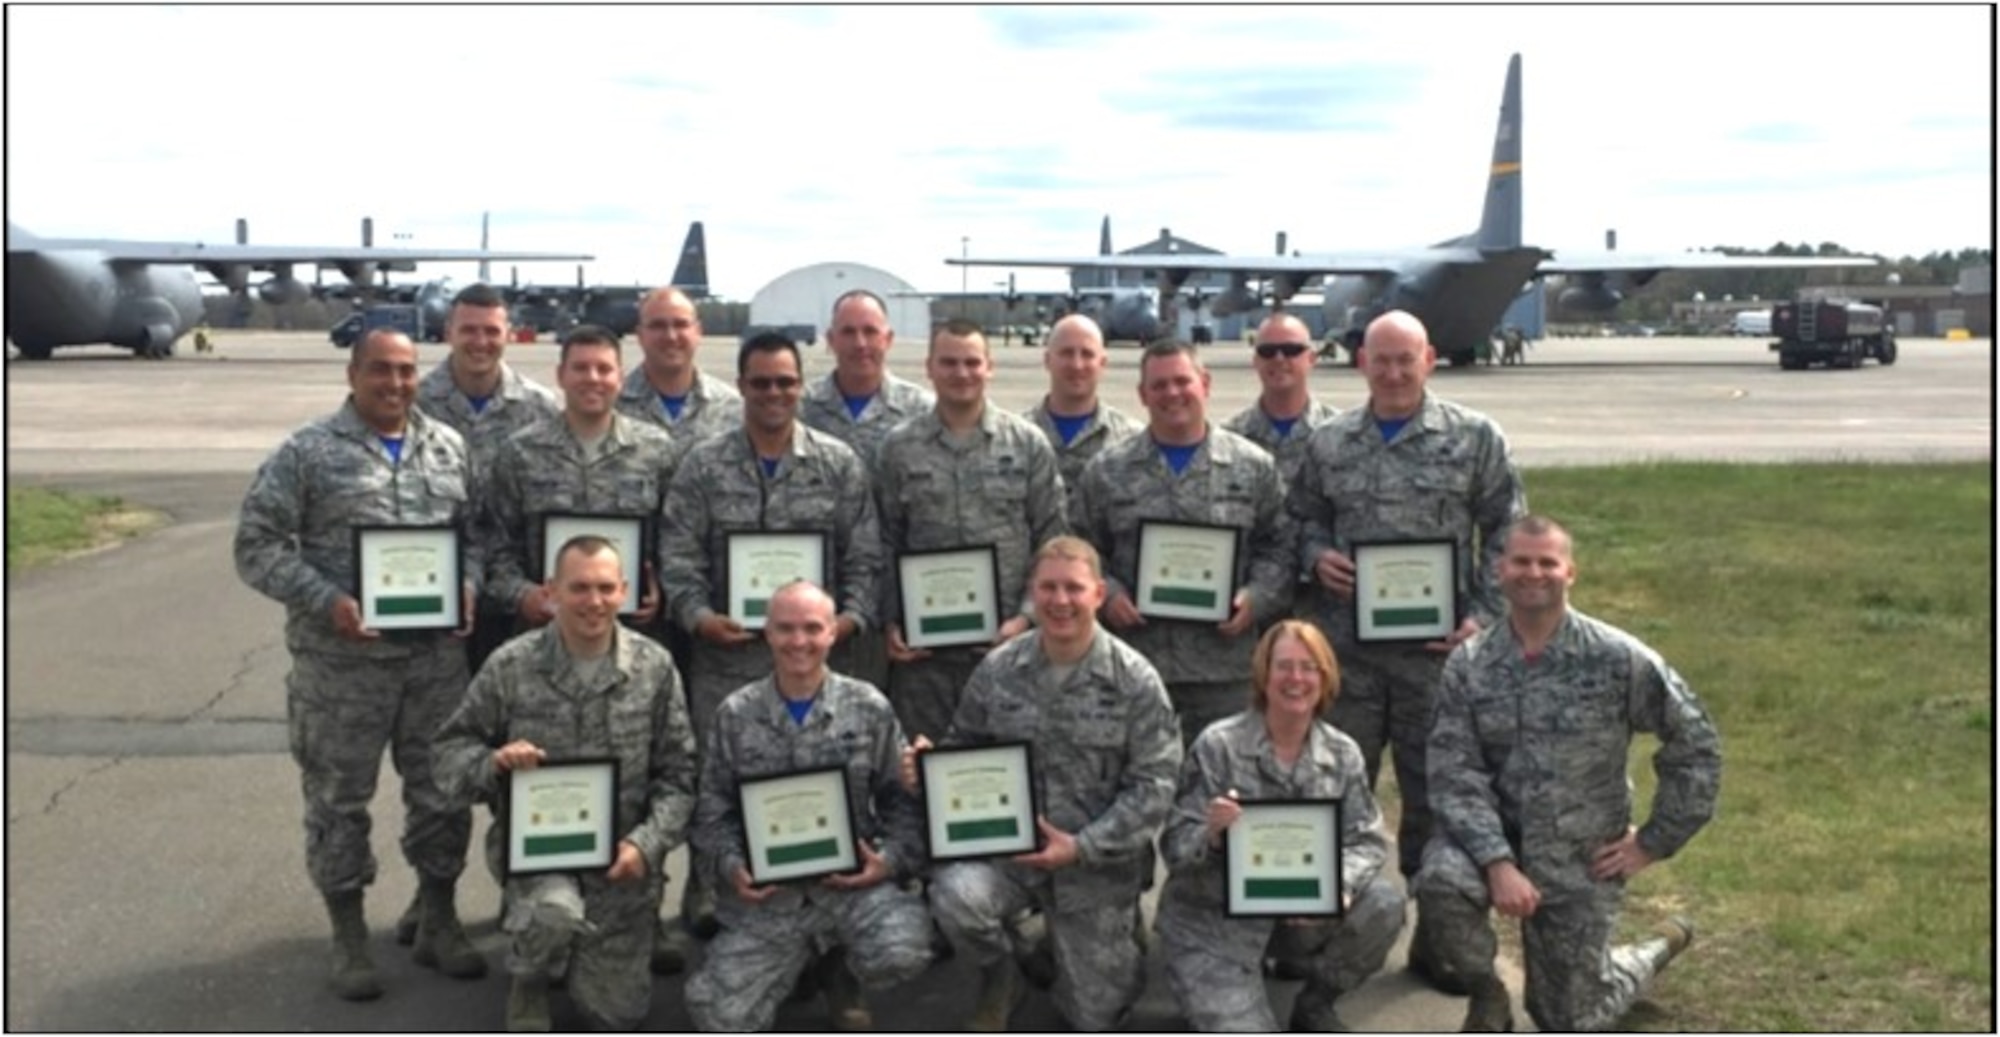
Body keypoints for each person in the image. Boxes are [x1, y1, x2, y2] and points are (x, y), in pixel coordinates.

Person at [233, 328, 486, 1000]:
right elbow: (255, 545)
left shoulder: (449, 446)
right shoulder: (309, 451)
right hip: (341, 665)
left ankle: (439, 915)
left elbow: (477, 536)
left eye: (406, 370)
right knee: (339, 801)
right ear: (353, 373)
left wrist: (468, 584)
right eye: (380, 370)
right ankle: (348, 933)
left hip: (433, 663)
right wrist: (328, 600)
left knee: (442, 792)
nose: (395, 383)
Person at [1286, 309, 1527, 986]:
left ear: (1431, 359)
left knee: (1435, 797)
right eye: (1381, 358)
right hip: (1348, 659)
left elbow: (1505, 529)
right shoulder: (1329, 441)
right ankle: (1328, 932)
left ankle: (1437, 936)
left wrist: (1482, 614)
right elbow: (1302, 518)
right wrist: (1317, 557)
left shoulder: (1476, 438)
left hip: (1437, 658)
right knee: (1334, 789)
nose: (1393, 371)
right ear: (1362, 361)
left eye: (1406, 358)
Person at [1416, 515, 1720, 1031]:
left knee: (1568, 1019)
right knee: (1440, 881)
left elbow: (1696, 744)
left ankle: (1653, 949)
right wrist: (1496, 862)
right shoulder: (1470, 664)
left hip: (1582, 859)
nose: (1533, 573)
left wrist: (1652, 841)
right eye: (1521, 561)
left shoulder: (1618, 659)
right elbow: (1453, 770)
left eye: (1547, 562)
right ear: (1499, 570)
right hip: (1492, 843)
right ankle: (1486, 994)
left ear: (1570, 573)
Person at [658, 331, 884, 969]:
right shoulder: (704, 465)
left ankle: (827, 928)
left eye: (786, 382)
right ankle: (715, 891)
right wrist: (698, 617)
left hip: (816, 663)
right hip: (726, 659)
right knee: (720, 783)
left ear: (799, 386)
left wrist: (848, 622)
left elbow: (865, 557)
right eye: (761, 382)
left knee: (828, 784)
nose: (775, 393)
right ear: (741, 385)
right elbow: (678, 555)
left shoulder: (837, 463)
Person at [907, 536, 1182, 1032]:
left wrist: (1081, 846)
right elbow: (964, 741)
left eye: (1073, 588)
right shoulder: (999, 669)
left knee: (1097, 1014)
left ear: (1098, 594)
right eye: (1048, 588)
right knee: (956, 898)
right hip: (1009, 857)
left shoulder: (1135, 681)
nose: (1060, 601)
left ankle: (1113, 931)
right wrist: (931, 766)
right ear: (1031, 593)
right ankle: (1001, 969)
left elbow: (1155, 785)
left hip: (1093, 863)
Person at [431, 536, 698, 1031]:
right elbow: (447, 756)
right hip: (539, 858)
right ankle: (530, 973)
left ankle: (584, 953)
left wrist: (646, 846)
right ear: (552, 591)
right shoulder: (511, 664)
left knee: (618, 1014)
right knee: (552, 913)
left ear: (624, 591)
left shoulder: (654, 668)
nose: (593, 602)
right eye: (578, 588)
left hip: (622, 863)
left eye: (604, 588)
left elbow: (681, 777)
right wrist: (493, 763)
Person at [684, 581, 933, 1032]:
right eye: (786, 628)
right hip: (770, 895)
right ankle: (799, 964)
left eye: (812, 628)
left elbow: (902, 799)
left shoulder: (868, 707)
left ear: (833, 633)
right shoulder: (735, 714)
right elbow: (711, 811)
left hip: (851, 886)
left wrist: (890, 861)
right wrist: (732, 866)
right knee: (717, 1014)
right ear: (768, 633)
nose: (799, 641)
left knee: (906, 949)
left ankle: (839, 967)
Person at [1155, 621, 1405, 1032]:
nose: (1296, 679)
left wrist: (1336, 887)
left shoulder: (1342, 754)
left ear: (1325, 678)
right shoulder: (1218, 746)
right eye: (1284, 666)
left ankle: (1316, 1000)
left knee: (1382, 904)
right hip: (1215, 919)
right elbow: (1175, 846)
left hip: (1299, 917)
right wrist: (1211, 835)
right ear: (1263, 674)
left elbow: (1366, 839)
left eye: (1309, 668)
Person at [1072, 339, 1298, 748]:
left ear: (1205, 384)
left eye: (1182, 381)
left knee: (1223, 791)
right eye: (1159, 386)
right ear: (1142, 394)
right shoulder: (1108, 471)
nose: (1172, 394)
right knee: (1141, 788)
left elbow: (1280, 547)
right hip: (1134, 664)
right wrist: (1110, 595)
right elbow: (1081, 550)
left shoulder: (1252, 467)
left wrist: (1255, 598)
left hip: (1224, 670)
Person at [878, 319, 1067, 743]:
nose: (960, 373)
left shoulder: (1027, 444)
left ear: (989, 367)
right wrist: (891, 619)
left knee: (1009, 772)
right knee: (923, 773)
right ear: (929, 367)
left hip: (1010, 651)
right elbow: (885, 540)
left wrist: (1025, 618)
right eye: (948, 362)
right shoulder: (898, 447)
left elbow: (1052, 541)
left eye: (971, 362)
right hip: (924, 660)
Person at [416, 282, 562, 812]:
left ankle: (518, 871)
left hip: (521, 609)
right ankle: (438, 887)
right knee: (445, 760)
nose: (480, 342)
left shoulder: (541, 408)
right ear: (448, 331)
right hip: (434, 610)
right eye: (469, 330)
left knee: (519, 746)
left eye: (491, 331)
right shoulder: (414, 400)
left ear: (508, 334)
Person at [482, 325, 672, 640]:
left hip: (634, 638)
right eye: (580, 368)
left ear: (620, 378)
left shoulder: (656, 450)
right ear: (561, 375)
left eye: (604, 369)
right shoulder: (520, 452)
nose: (593, 378)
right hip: (543, 638)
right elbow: (496, 543)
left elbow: (676, 540)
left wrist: (660, 591)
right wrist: (522, 594)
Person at [1020, 314, 1144, 501]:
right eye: (1066, 353)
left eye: (1087, 354)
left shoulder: (1134, 440)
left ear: (1102, 364)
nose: (1077, 365)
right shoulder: (1015, 437)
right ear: (1047, 360)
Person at [616, 286, 742, 455]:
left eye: (681, 324)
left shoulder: (733, 408)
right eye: (657, 325)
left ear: (698, 332)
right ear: (640, 335)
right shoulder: (612, 405)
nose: (671, 336)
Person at [1223, 312, 1340, 489]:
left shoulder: (1343, 436)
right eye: (1267, 352)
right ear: (1256, 361)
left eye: (1291, 350)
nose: (1279, 359)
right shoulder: (1228, 440)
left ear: (1311, 359)